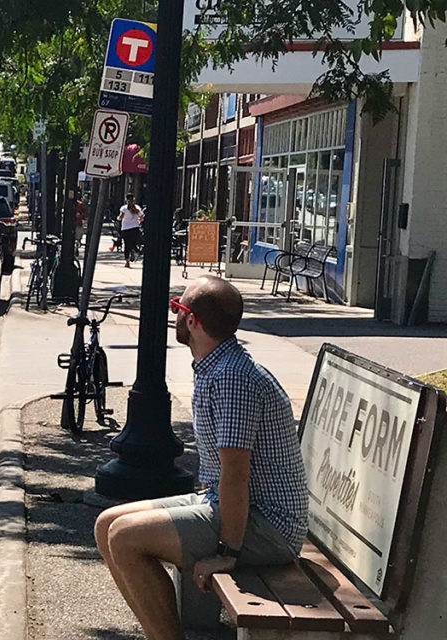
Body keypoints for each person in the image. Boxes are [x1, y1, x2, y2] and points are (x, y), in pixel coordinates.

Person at [93, 275, 308, 640]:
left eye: (178, 308)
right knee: (106, 525)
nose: (174, 314)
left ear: (192, 321)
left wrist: (228, 552)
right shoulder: (219, 368)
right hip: (232, 506)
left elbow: (236, 474)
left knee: (126, 538)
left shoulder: (232, 379)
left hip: (268, 526)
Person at [116, 193, 144, 268]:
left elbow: (121, 217)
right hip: (135, 228)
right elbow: (141, 216)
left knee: (127, 244)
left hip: (125, 228)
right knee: (133, 242)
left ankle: (127, 261)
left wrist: (118, 218)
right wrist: (139, 221)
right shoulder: (137, 207)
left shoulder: (124, 208)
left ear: (126, 199)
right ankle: (135, 251)